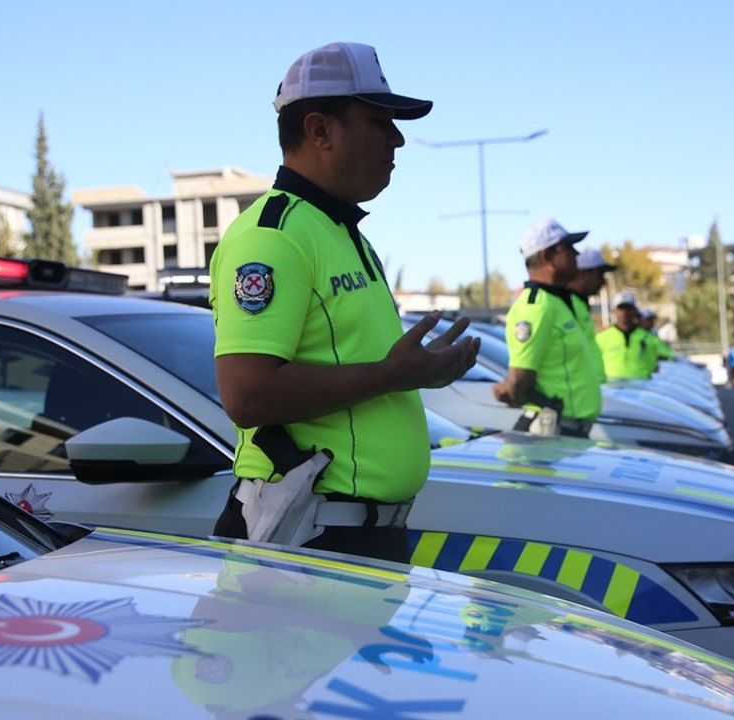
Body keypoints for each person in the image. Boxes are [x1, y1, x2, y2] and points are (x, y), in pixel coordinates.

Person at [207, 42, 480, 562]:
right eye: (380, 122)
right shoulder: (273, 236)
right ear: (319, 131)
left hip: (350, 535)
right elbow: (247, 395)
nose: (397, 139)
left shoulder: (338, 230)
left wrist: (412, 370)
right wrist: (395, 374)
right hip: (306, 538)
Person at [492, 218, 602, 437]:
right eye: (568, 248)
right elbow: (518, 386)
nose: (576, 255)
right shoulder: (536, 307)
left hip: (567, 429)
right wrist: (510, 389)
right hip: (552, 431)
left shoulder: (556, 301)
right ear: (547, 256)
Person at [567, 248, 615, 384]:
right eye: (600, 274)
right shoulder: (568, 305)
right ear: (584, 274)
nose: (603, 282)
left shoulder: (580, 304)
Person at [597, 293, 654, 380]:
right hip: (611, 388)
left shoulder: (647, 337)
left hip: (641, 386)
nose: (625, 312)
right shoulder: (601, 337)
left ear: (635, 311)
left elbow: (651, 362)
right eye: (621, 308)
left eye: (629, 308)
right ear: (614, 311)